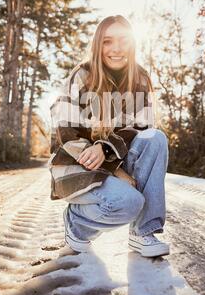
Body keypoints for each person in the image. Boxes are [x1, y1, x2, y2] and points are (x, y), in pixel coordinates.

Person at [49, 15, 170, 258]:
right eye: (107, 41)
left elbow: (142, 127)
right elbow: (66, 131)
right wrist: (112, 167)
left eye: (123, 40)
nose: (116, 49)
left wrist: (106, 150)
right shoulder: (81, 76)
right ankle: (77, 224)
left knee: (155, 138)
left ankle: (143, 232)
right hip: (78, 163)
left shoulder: (140, 78)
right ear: (97, 45)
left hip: (111, 156)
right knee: (128, 203)